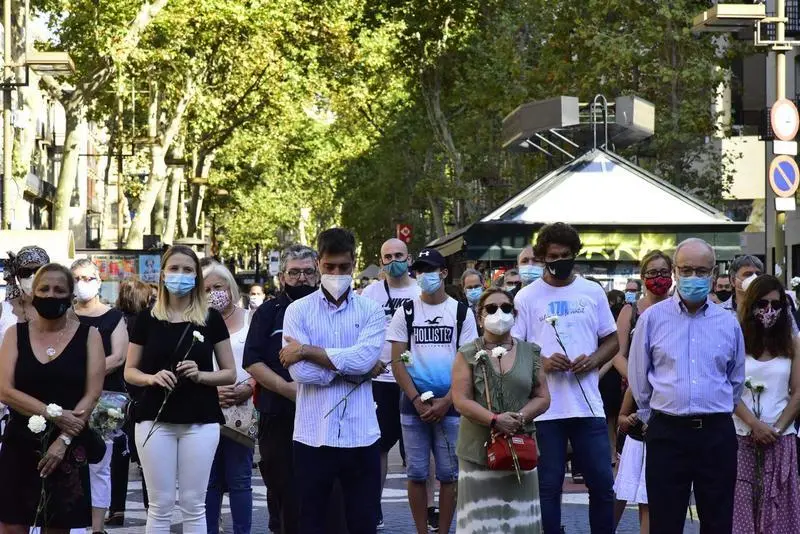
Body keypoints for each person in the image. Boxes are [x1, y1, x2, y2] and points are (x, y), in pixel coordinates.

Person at [629, 238, 746, 534]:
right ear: (675, 271)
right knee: (665, 521)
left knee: (718, 521)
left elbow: (735, 378)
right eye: (686, 269)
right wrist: (649, 418)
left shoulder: (728, 323)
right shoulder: (652, 319)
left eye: (702, 270)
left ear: (713, 272)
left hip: (716, 434)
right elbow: (640, 376)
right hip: (667, 433)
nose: (694, 276)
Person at [512, 222, 619, 534]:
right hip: (545, 410)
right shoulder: (526, 297)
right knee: (547, 487)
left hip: (588, 408)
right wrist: (542, 362)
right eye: (553, 256)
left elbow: (612, 340)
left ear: (575, 255)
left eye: (566, 255)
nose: (559, 261)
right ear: (543, 257)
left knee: (602, 484)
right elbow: (514, 348)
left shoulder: (592, 291)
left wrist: (594, 360)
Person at [278, 228, 386, 534]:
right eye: (329, 267)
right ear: (318, 263)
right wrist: (355, 368)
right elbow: (299, 373)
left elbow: (364, 359)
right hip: (312, 435)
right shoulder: (297, 311)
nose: (336, 273)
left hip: (361, 433)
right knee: (311, 522)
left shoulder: (371, 310)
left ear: (354, 263)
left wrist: (306, 351)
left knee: (363, 523)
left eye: (343, 267)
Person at [124, 245, 237, 533]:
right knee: (160, 506)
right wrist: (151, 379)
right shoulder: (147, 318)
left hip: (200, 420)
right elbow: (130, 371)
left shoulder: (210, 319)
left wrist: (201, 376)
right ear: (162, 274)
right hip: (153, 418)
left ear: (197, 277)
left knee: (193, 505)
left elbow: (229, 373)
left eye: (188, 270)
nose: (180, 275)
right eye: (174, 269)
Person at [0, 263, 105, 532]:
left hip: (66, 447)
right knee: (11, 526)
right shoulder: (15, 334)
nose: (50, 295)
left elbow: (92, 394)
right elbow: (4, 390)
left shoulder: (89, 336)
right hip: (19, 444)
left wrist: (64, 440)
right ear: (32, 294)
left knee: (57, 526)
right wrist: (52, 413)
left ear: (71, 296)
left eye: (59, 289)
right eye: (44, 289)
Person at [388, 247, 479, 534]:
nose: (426, 275)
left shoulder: (461, 312)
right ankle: (421, 531)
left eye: (432, 269)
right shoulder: (406, 311)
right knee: (416, 473)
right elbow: (396, 360)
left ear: (443, 272)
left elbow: (470, 364)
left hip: (451, 404)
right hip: (413, 405)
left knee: (449, 474)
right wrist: (415, 399)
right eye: (421, 270)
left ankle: (443, 531)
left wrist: (447, 401)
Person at [452, 287, 551, 533]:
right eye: (492, 308)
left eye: (506, 308)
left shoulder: (531, 352)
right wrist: (495, 420)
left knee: (520, 522)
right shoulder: (467, 353)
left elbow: (542, 396)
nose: (500, 313)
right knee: (481, 523)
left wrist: (520, 417)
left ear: (514, 314)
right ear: (479, 316)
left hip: (521, 449)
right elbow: (461, 400)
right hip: (478, 452)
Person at [245, 245, 318, 534]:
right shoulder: (268, 312)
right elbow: (251, 360)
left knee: (316, 488)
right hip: (278, 414)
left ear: (318, 273)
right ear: (282, 276)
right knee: (282, 486)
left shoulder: (329, 311)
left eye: (308, 272)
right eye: (294, 272)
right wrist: (288, 390)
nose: (301, 278)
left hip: (321, 415)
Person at [609, 251, 674, 533]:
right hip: (633, 398)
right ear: (642, 275)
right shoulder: (630, 310)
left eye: (664, 272)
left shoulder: (678, 308)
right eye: (653, 272)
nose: (658, 278)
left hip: (666, 398)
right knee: (625, 479)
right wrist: (639, 379)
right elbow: (616, 354)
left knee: (651, 487)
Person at [732, 275, 800, 533]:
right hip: (741, 438)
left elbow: (798, 392)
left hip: (780, 440)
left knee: (779, 516)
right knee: (741, 515)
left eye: (776, 303)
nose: (769, 311)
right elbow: (728, 389)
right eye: (762, 303)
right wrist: (754, 424)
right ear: (751, 306)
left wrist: (776, 430)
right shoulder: (736, 338)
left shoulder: (793, 343)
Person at [360, 238, 420, 530]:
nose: (393, 260)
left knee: (421, 448)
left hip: (415, 379)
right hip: (380, 379)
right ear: (380, 260)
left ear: (409, 259)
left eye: (399, 255)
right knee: (378, 446)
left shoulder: (422, 291)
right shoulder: (369, 294)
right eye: (387, 256)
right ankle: (373, 505)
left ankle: (428, 508)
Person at [70, 259, 129, 534]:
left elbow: (118, 357)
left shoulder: (114, 317)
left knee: (100, 464)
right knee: (69, 461)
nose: (83, 283)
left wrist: (83, 373)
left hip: (107, 400)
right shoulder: (65, 315)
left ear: (99, 280)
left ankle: (96, 527)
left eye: (88, 277)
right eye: (77, 277)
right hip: (69, 398)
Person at [203, 262, 255, 534]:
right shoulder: (198, 320)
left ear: (230, 288)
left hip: (244, 409)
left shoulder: (250, 319)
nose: (213, 293)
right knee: (209, 481)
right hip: (206, 408)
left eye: (218, 287)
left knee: (240, 478)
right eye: (207, 288)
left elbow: (262, 358)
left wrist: (251, 386)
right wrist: (211, 390)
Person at [108, 279, 153, 523]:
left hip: (116, 393)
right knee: (147, 457)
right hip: (143, 394)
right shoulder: (148, 322)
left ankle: (116, 508)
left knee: (118, 456)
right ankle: (151, 508)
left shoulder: (115, 320)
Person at [3, 245, 50, 324]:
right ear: (18, 277)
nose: (33, 277)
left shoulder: (61, 309)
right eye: (25, 272)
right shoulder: (5, 310)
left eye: (39, 270)